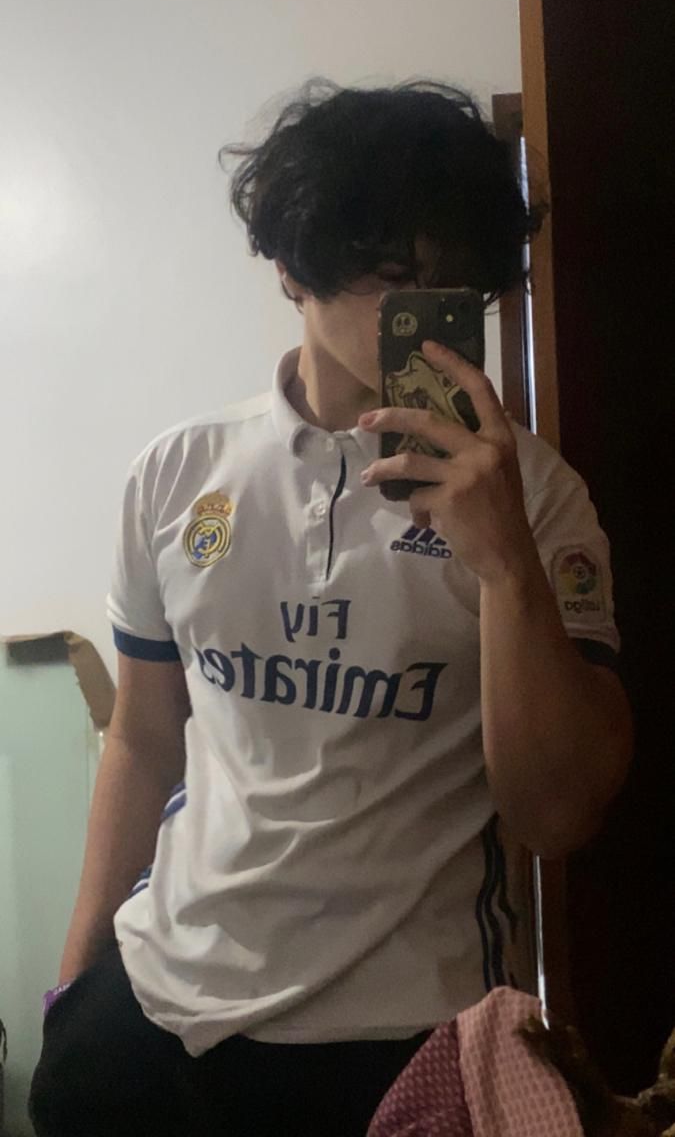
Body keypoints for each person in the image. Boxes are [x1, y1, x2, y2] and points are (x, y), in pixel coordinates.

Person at [29, 79, 633, 1137]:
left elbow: (555, 816)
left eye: (455, 283)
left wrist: (506, 567)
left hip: (403, 1038)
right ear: (291, 267)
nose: (429, 313)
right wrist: (76, 985)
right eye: (395, 278)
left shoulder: (537, 496)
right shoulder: (177, 473)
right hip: (158, 1012)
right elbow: (143, 737)